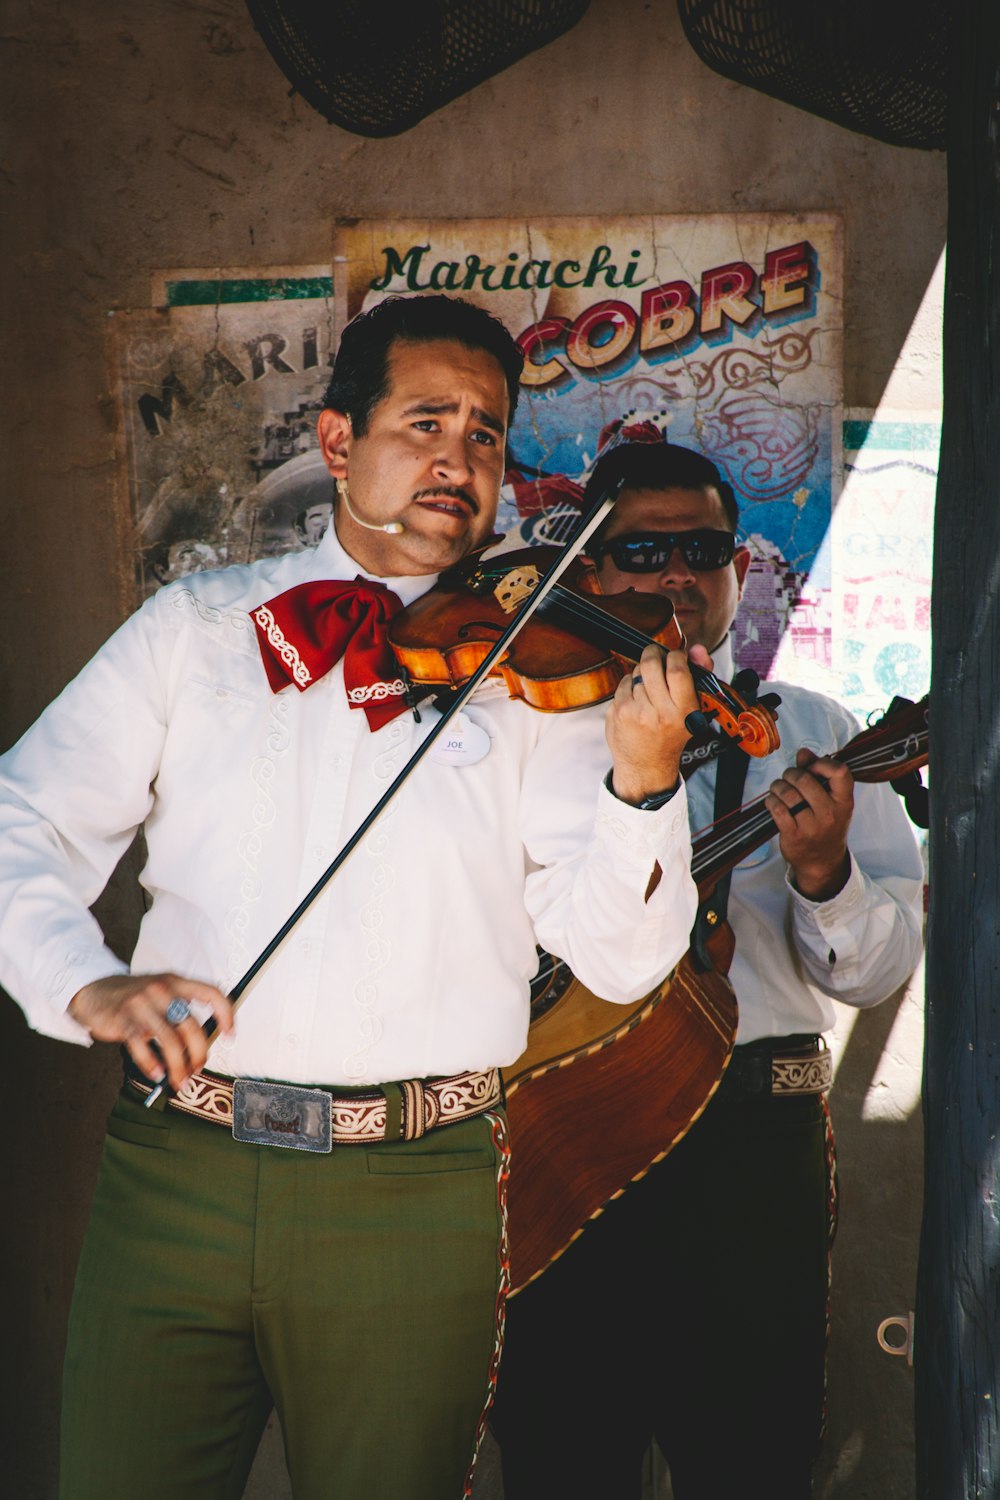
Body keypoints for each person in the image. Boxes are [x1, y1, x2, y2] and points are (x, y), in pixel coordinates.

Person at [0, 296, 704, 1500]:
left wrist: (643, 785)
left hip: (414, 1185)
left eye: (485, 433)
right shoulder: (196, 633)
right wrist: (86, 980)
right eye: (424, 420)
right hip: (177, 1170)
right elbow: (26, 818)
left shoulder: (538, 671)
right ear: (337, 443)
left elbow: (618, 958)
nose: (457, 456)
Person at [490, 440, 925, 1499]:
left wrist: (824, 874)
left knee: (752, 1459)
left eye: (701, 549)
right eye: (641, 550)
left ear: (737, 569)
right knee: (560, 1456)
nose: (674, 574)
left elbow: (874, 978)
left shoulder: (813, 735)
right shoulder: (521, 735)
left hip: (748, 1137)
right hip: (564, 1117)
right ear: (587, 574)